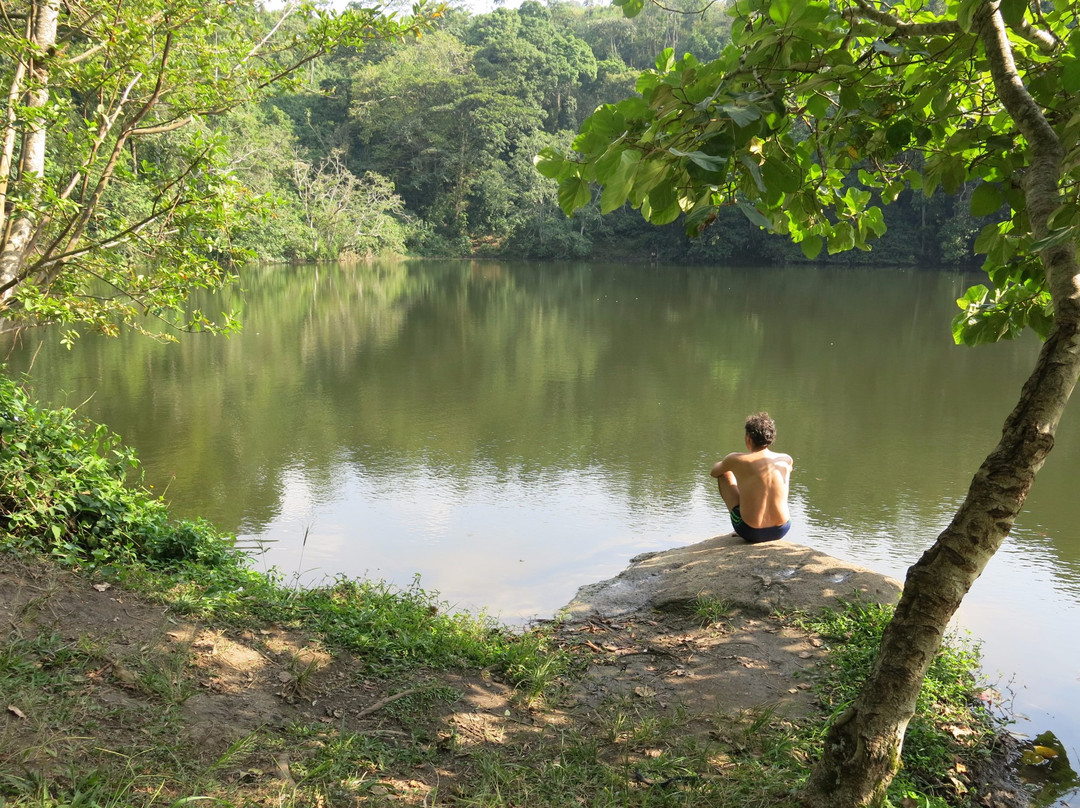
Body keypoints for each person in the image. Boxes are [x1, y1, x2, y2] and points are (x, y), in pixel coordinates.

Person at [710, 412, 793, 543]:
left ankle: (742, 523)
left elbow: (714, 472)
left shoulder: (737, 459)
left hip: (750, 531)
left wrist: (730, 466)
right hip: (781, 529)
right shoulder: (786, 459)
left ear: (748, 438)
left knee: (724, 474)